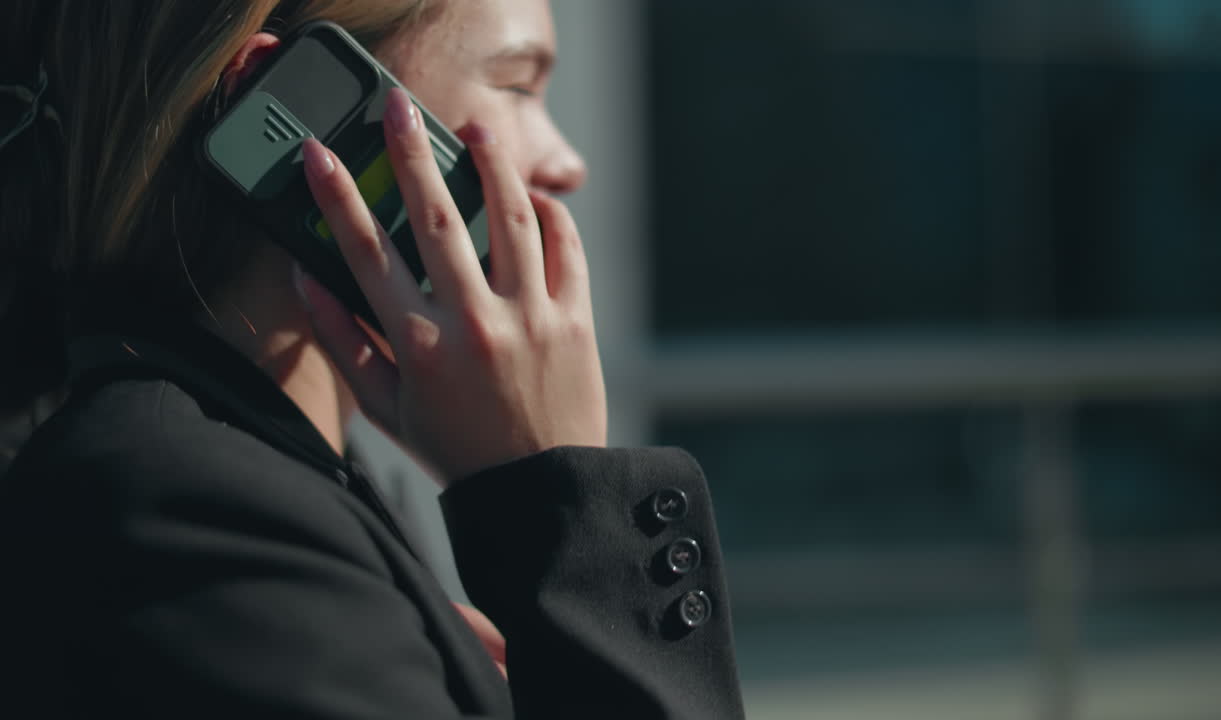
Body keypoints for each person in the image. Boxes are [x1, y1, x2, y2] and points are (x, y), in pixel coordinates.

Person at [0, 1, 746, 718]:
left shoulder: (271, 480)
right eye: (517, 85)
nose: (568, 163)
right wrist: (558, 488)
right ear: (282, 104)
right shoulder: (186, 510)